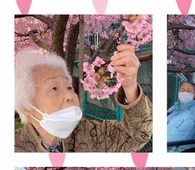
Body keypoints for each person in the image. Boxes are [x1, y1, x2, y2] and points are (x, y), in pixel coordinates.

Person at [15, 46, 152, 153]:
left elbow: (138, 135)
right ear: (26, 107)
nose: (69, 96)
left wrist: (130, 87)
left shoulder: (91, 134)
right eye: (54, 89)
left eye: (69, 88)